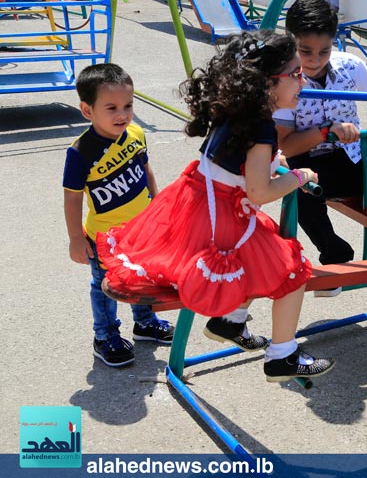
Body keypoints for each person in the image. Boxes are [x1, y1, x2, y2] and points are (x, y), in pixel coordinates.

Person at [96, 31, 334, 382]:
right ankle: (283, 355)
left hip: (194, 203)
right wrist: (299, 175)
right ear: (270, 84)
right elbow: (259, 193)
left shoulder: (235, 111)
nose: (303, 80)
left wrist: (273, 160)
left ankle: (229, 321)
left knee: (260, 252)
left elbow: (235, 165)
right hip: (221, 217)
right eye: (296, 74)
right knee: (291, 269)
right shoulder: (263, 127)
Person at [274, 0, 367, 296]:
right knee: (301, 195)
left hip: (355, 155)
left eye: (324, 50)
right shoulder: (285, 80)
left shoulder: (347, 65)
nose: (315, 59)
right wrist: (325, 131)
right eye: (305, 50)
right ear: (291, 41)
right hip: (309, 161)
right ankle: (335, 255)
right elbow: (287, 146)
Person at [64, 64, 175, 368]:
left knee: (142, 277)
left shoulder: (136, 133)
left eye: (128, 106)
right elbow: (72, 197)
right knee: (106, 286)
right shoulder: (80, 152)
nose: (122, 114)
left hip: (141, 229)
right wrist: (76, 238)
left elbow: (145, 166)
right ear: (87, 110)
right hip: (103, 238)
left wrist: (156, 199)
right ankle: (105, 336)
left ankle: (145, 322)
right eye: (111, 107)